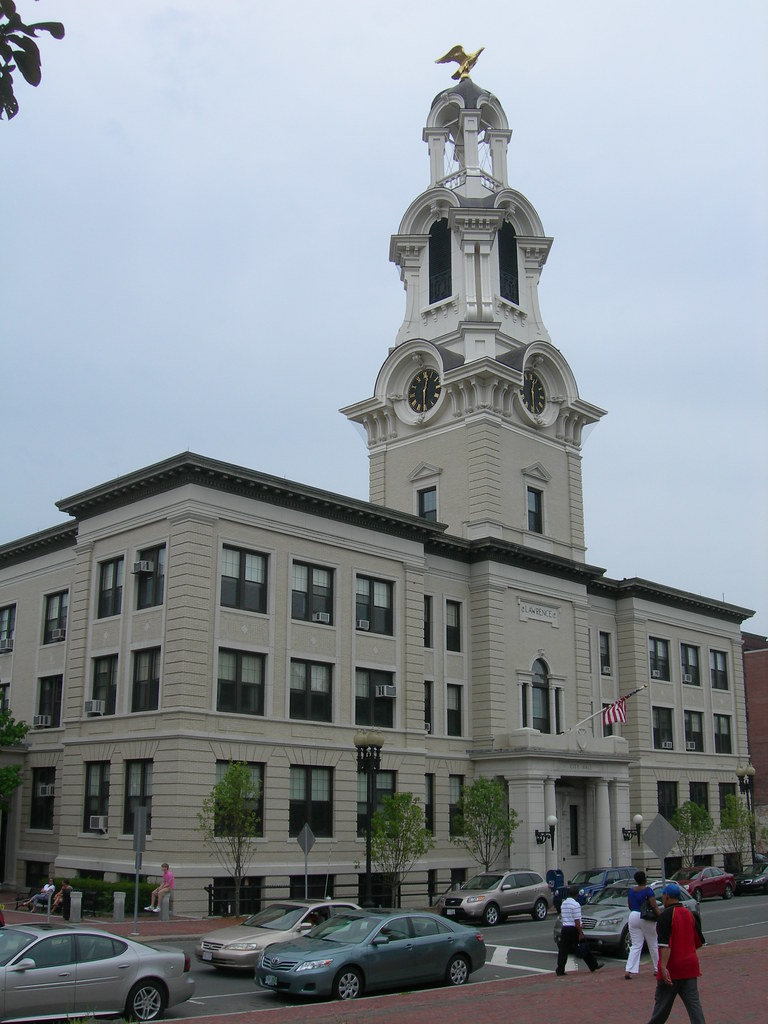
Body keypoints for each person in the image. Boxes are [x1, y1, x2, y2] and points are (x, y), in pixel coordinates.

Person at [646, 882, 707, 1024]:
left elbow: (665, 946)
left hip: (672, 970)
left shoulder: (665, 916)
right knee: (694, 1007)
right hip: (690, 967)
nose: (662, 897)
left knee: (661, 1010)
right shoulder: (689, 914)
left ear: (667, 896)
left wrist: (663, 967)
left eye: (663, 895)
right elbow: (699, 942)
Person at [555, 895, 605, 975]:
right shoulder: (576, 905)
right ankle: (593, 965)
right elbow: (577, 920)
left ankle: (560, 970)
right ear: (576, 895)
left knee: (563, 950)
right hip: (573, 929)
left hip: (565, 928)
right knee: (584, 946)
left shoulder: (564, 903)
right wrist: (580, 933)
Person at [625, 870, 660, 978]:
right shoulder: (648, 890)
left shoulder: (631, 891)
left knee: (636, 945)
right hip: (645, 917)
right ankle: (657, 968)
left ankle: (629, 969)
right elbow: (653, 905)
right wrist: (660, 916)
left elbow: (630, 905)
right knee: (653, 943)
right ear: (645, 879)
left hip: (633, 915)